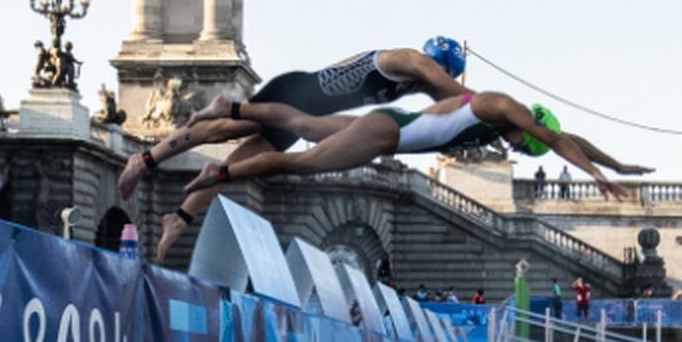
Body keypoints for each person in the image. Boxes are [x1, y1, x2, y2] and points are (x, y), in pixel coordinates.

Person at [122, 39, 473, 256]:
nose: (441, 81)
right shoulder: (410, 60)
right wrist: (493, 111)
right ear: (440, 65)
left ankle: (180, 217)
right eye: (446, 73)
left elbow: (443, 109)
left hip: (306, 114)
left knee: (235, 165)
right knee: (218, 130)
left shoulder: (413, 85)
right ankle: (145, 160)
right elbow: (454, 95)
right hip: (296, 93)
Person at [176, 90, 629, 209]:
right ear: (523, 128)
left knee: (304, 124)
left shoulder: (497, 122)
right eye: (522, 145)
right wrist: (597, 177)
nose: (513, 148)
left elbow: (568, 138)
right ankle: (219, 176)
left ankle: (229, 106)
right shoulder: (497, 105)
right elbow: (553, 139)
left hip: (389, 125)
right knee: (303, 161)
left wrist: (617, 163)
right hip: (385, 136)